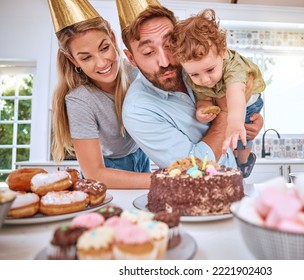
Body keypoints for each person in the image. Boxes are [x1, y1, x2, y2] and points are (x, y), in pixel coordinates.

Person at [115, 0, 263, 170]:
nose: (164, 62)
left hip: (235, 181)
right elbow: (195, 166)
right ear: (131, 58)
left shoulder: (194, 64)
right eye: (148, 52)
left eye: (170, 45)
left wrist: (248, 121)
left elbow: (240, 83)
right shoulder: (138, 111)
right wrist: (227, 112)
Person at [48, 0, 151, 189]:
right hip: (109, 170)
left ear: (112, 38)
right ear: (73, 60)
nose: (102, 63)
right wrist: (163, 180)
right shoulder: (80, 100)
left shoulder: (137, 73)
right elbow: (94, 173)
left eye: (104, 48)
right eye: (86, 57)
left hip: (142, 156)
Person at [170, 9, 266, 178]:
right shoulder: (195, 75)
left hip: (247, 102)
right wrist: (202, 111)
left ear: (222, 52)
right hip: (227, 101)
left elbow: (235, 94)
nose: (205, 79)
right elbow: (203, 97)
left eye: (210, 70)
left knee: (243, 135)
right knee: (232, 139)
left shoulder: (234, 66)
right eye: (195, 74)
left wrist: (235, 122)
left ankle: (243, 162)